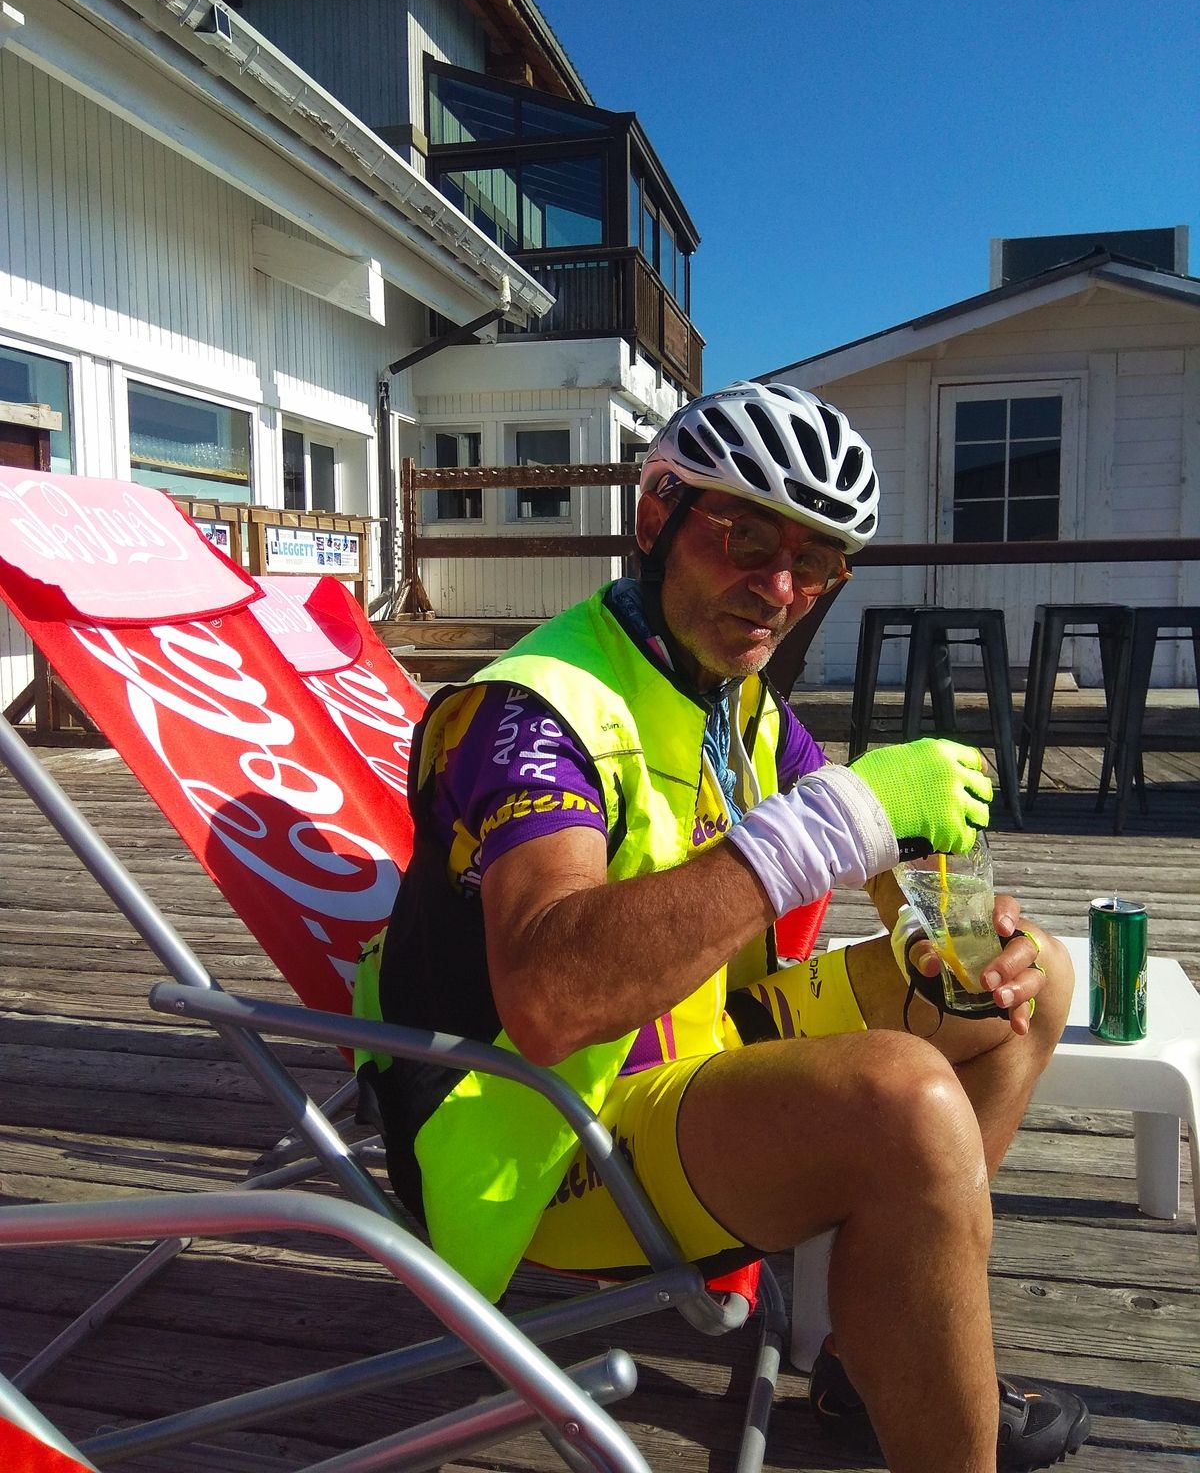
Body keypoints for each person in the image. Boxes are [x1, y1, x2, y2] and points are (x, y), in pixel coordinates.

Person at [357, 381, 1091, 1473]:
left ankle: (869, 1347)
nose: (780, 589)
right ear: (656, 518)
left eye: (817, 562)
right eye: (747, 539)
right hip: (536, 1128)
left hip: (684, 1043)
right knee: (906, 1102)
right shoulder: (531, 714)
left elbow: (875, 848)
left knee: (1032, 993)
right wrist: (848, 811)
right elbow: (552, 1000)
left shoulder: (728, 693)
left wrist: (960, 931)